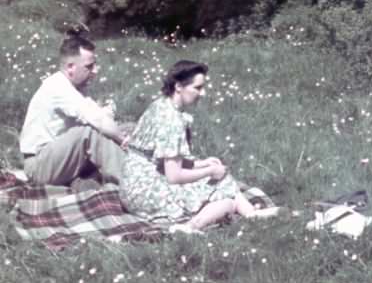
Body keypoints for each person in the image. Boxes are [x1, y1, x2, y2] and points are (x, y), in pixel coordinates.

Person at [120, 60, 278, 231]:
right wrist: (209, 171)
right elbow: (173, 176)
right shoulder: (171, 121)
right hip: (145, 193)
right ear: (179, 86)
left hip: (132, 182)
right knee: (226, 201)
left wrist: (201, 164)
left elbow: (159, 157)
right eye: (197, 88)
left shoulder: (161, 104)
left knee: (219, 176)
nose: (203, 93)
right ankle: (190, 226)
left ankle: (250, 214)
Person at [20, 30, 128, 186]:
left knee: (126, 128)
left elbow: (98, 115)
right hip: (39, 165)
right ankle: (134, 183)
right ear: (71, 67)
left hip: (60, 158)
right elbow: (97, 120)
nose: (95, 71)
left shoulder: (75, 87)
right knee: (90, 131)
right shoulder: (58, 87)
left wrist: (121, 131)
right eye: (89, 66)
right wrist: (124, 140)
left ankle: (146, 170)